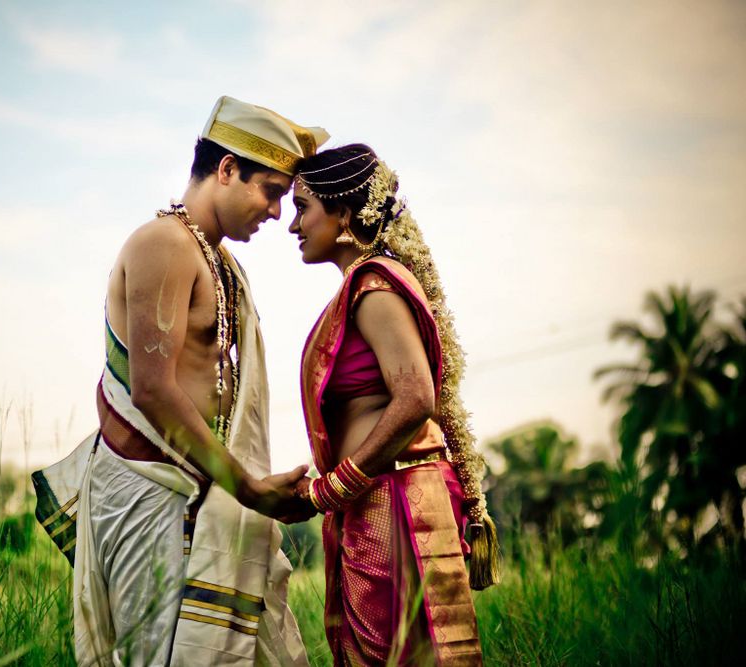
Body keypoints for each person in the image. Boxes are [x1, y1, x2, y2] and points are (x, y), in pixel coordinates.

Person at [32, 96, 327, 666]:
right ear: (225, 169)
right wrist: (248, 488)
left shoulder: (216, 259)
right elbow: (153, 389)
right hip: (152, 489)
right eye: (270, 191)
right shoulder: (163, 244)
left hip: (195, 490)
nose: (275, 213)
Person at [288, 144, 501, 666]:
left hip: (396, 499)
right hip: (380, 494)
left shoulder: (374, 288)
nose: (292, 225)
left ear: (341, 215)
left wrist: (335, 487)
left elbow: (415, 399)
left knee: (400, 654)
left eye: (303, 207)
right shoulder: (362, 288)